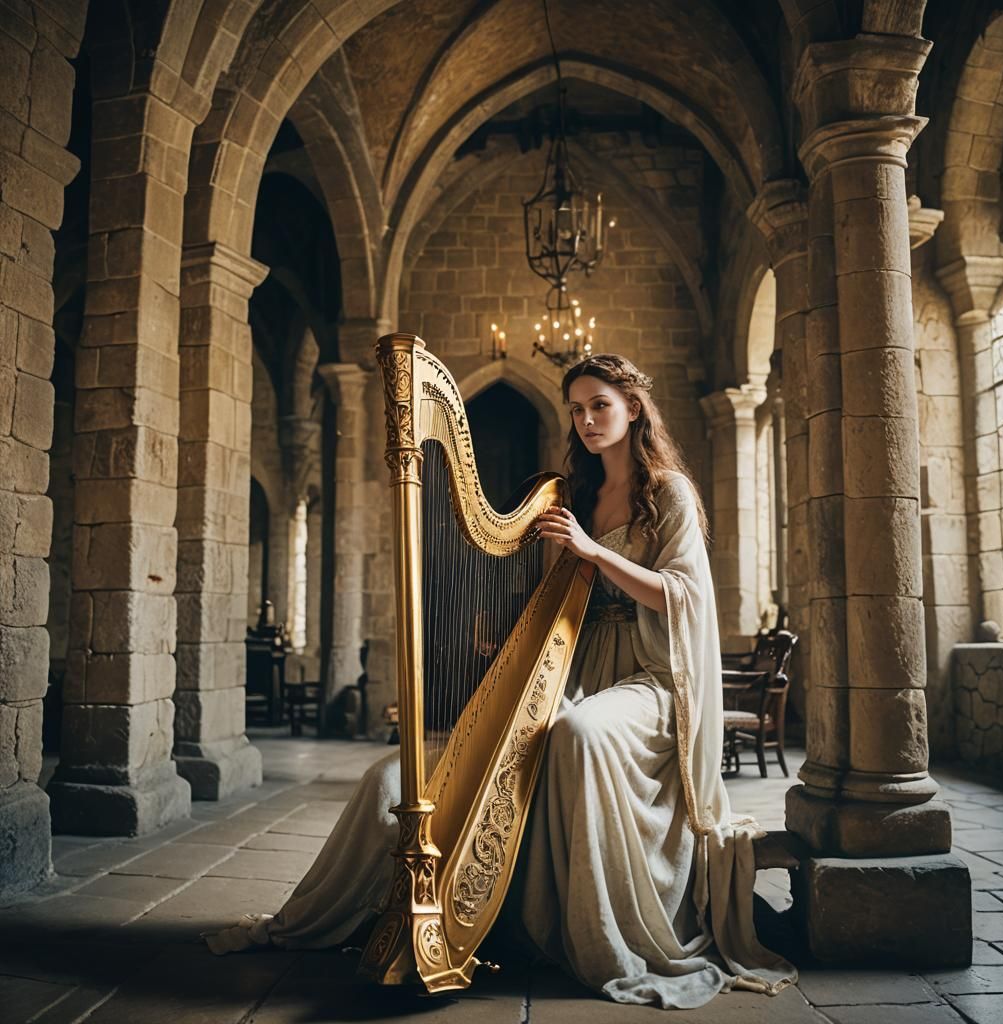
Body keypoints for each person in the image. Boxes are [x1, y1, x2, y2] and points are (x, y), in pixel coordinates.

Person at [205, 353, 796, 1010]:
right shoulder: (573, 496)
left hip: (653, 679)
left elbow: (682, 597)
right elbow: (562, 599)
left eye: (600, 404)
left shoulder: (669, 494)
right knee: (394, 780)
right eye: (577, 408)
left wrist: (592, 551)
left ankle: (593, 933)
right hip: (581, 668)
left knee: (578, 732)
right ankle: (354, 915)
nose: (588, 419)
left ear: (633, 407)